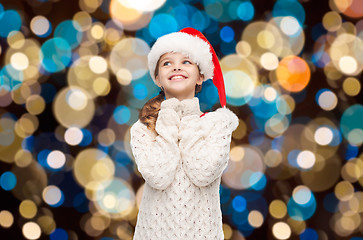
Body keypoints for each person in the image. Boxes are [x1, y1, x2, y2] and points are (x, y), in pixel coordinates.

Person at [129, 28, 239, 240]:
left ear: (200, 77)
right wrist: (169, 116)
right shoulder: (144, 129)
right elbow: (158, 176)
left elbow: (202, 172)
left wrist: (188, 115)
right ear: (158, 79)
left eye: (186, 61)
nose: (176, 66)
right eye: (167, 63)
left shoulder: (218, 124)